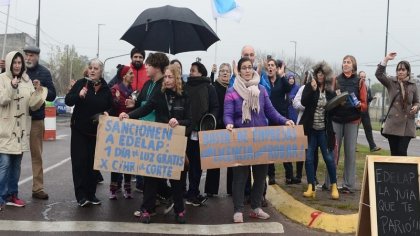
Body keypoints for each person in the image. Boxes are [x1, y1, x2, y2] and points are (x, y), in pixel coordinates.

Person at [224, 57, 294, 223]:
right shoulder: (232, 91)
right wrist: (229, 124)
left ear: (253, 69)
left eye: (250, 67)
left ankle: (256, 208)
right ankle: (238, 209)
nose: (247, 70)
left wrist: (285, 120)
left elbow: (270, 111)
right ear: (239, 71)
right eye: (244, 68)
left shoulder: (262, 90)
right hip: (241, 138)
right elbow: (227, 113)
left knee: (260, 176)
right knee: (240, 177)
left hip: (261, 139)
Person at [120, 62, 191, 224]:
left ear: (177, 78)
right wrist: (129, 115)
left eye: (170, 77)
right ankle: (147, 209)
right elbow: (146, 108)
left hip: (175, 142)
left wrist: (178, 122)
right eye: (165, 76)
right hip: (158, 141)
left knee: (176, 178)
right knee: (151, 177)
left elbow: (190, 121)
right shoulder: (159, 94)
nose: (166, 80)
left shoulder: (185, 96)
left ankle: (180, 210)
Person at [0, 51, 46, 210]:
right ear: (9, 64)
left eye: (20, 63)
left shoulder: (27, 81)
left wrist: (38, 92)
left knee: (16, 165)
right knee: (4, 164)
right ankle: (0, 197)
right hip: (5, 129)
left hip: (20, 131)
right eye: (14, 62)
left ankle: (13, 195)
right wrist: (12, 87)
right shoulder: (1, 79)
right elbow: (2, 100)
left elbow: (33, 105)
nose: (17, 65)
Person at [65, 58, 112, 207]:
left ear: (101, 71)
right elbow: (68, 101)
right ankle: (81, 196)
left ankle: (91, 194)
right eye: (90, 67)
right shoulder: (81, 83)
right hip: (79, 130)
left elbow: (112, 106)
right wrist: (78, 95)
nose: (92, 70)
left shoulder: (105, 88)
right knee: (79, 162)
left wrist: (106, 112)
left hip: (96, 132)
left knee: (93, 164)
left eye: (96, 68)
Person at [300, 61, 339, 200]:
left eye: (322, 73)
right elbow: (304, 102)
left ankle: (334, 185)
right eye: (318, 73)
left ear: (326, 75)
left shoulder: (330, 91)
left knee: (328, 158)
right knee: (309, 158)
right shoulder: (310, 86)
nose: (320, 75)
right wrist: (311, 89)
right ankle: (311, 186)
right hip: (310, 130)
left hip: (324, 131)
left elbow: (334, 110)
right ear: (315, 74)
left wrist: (340, 100)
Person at [329, 55, 368, 194]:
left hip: (352, 121)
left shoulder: (360, 82)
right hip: (336, 120)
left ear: (353, 65)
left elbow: (364, 105)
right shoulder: (336, 80)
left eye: (348, 62)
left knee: (350, 153)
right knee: (333, 152)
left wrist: (359, 105)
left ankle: (348, 185)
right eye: (344, 62)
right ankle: (330, 183)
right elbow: (329, 98)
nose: (346, 64)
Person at [23, 45, 57, 200]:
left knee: (37, 155)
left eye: (31, 55)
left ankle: (38, 188)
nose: (28, 58)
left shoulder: (44, 72)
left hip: (36, 120)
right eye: (27, 55)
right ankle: (9, 191)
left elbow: (52, 96)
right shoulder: (18, 69)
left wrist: (41, 88)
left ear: (37, 57)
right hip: (18, 119)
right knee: (12, 155)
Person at [184, 61, 219, 206]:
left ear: (201, 73)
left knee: (197, 164)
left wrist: (208, 121)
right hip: (186, 131)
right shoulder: (185, 87)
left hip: (201, 132)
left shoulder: (209, 88)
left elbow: (215, 107)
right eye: (190, 70)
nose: (191, 73)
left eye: (193, 70)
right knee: (184, 164)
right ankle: (181, 191)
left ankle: (193, 192)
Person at [375, 52, 419, 156]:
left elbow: (417, 101)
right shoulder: (391, 82)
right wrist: (386, 59)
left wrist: (416, 107)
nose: (400, 72)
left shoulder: (413, 85)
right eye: (398, 69)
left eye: (403, 69)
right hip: (393, 124)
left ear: (408, 71)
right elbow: (379, 74)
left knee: (402, 152)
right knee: (394, 153)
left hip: (407, 124)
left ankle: (406, 172)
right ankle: (394, 173)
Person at [265, 59, 295, 184]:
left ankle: (289, 175)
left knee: (284, 148)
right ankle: (271, 176)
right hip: (268, 119)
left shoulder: (281, 81)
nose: (270, 67)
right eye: (269, 65)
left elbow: (289, 88)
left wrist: (283, 76)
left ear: (277, 68)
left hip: (282, 117)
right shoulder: (264, 81)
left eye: (273, 65)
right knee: (270, 148)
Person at [204, 63, 231, 197]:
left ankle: (232, 190)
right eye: (222, 71)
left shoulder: (233, 88)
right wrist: (212, 73)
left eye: (227, 71)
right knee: (215, 160)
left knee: (232, 160)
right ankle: (211, 190)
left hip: (230, 127)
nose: (225, 73)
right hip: (217, 126)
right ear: (219, 73)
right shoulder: (214, 87)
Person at [109, 66, 135, 200]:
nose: (133, 76)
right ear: (124, 76)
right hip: (117, 129)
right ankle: (113, 188)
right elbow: (111, 108)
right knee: (116, 158)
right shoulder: (115, 89)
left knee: (128, 159)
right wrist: (116, 100)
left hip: (130, 129)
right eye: (130, 74)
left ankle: (127, 187)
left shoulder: (132, 91)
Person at [358, 71, 381, 152]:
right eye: (361, 77)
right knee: (354, 130)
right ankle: (352, 146)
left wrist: (373, 98)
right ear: (358, 77)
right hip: (357, 112)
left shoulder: (368, 88)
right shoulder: (356, 86)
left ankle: (372, 146)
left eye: (364, 77)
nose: (363, 78)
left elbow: (368, 100)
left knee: (368, 128)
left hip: (365, 112)